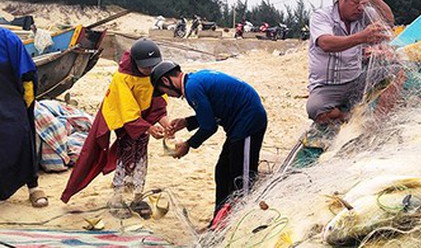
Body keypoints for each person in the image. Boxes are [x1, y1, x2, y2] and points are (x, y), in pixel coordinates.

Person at [150, 60, 268, 227]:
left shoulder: (192, 89)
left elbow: (209, 126)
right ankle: (219, 222)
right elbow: (211, 113)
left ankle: (243, 224)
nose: (167, 95)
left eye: (163, 91)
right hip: (237, 125)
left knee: (242, 178)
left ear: (165, 81)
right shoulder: (195, 81)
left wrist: (188, 144)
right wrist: (186, 122)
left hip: (248, 123)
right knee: (222, 171)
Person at [61, 38, 169, 219]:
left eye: (153, 66)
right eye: (146, 67)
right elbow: (127, 110)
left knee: (141, 157)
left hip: (142, 124)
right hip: (125, 123)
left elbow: (158, 103)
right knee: (125, 156)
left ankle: (136, 196)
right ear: (135, 63)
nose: (150, 70)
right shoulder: (123, 77)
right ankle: (117, 197)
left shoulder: (153, 76)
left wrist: (167, 124)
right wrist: (148, 127)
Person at [306, 0, 394, 124]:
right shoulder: (322, 16)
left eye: (364, 3)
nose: (360, 8)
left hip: (355, 80)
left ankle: (378, 121)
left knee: (396, 73)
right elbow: (326, 43)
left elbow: (389, 21)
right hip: (327, 86)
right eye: (355, 2)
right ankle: (347, 118)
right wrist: (362, 37)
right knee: (315, 109)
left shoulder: (364, 14)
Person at [0, 28, 48, 207]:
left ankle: (33, 186)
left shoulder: (7, 38)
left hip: (9, 99)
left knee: (22, 134)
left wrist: (28, 97)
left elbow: (27, 72)